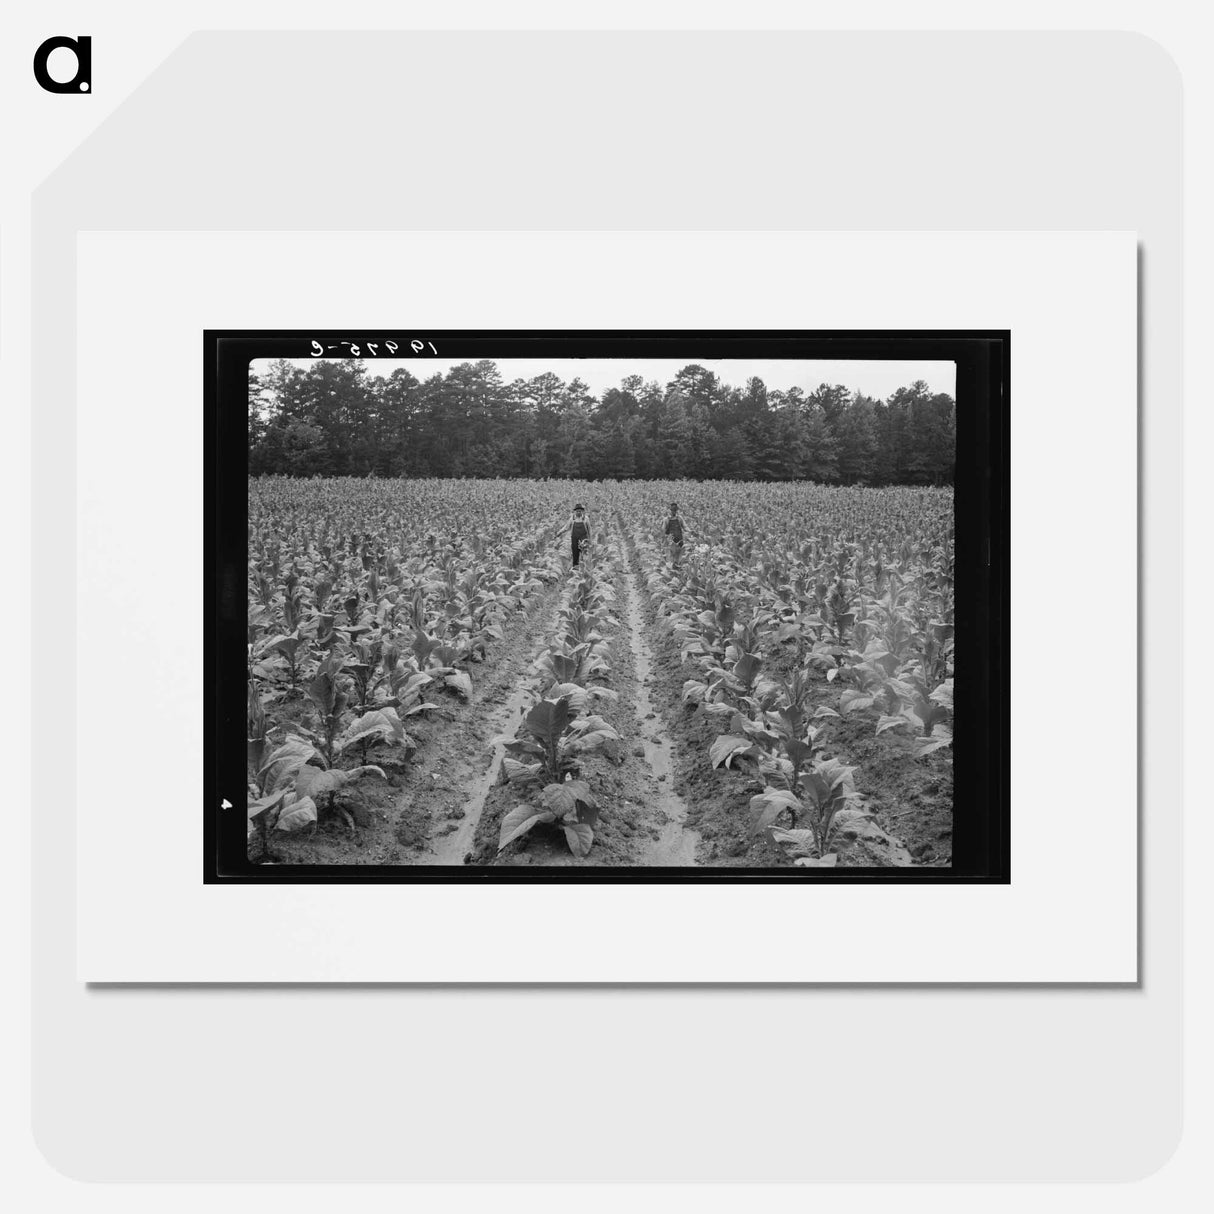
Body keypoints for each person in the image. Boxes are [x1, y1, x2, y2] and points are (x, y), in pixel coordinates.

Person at [568, 503, 591, 568]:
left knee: (585, 553)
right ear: (575, 511)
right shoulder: (572, 519)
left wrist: (590, 540)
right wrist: (559, 533)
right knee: (575, 553)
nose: (578, 512)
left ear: (582, 511)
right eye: (577, 511)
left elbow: (589, 530)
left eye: (580, 511)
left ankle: (585, 568)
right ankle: (575, 568)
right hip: (574, 538)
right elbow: (566, 527)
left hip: (584, 538)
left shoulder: (585, 519)